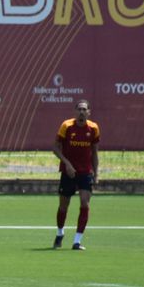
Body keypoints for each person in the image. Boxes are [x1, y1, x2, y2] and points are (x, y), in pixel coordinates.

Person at [52, 99, 100, 251]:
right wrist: (67, 164)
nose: (81, 112)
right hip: (68, 172)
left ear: (89, 112)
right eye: (79, 109)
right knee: (63, 206)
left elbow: (95, 153)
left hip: (85, 172)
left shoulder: (93, 128)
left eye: (84, 109)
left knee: (85, 203)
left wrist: (96, 173)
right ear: (75, 111)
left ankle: (77, 241)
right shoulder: (66, 126)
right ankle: (60, 233)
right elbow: (55, 148)